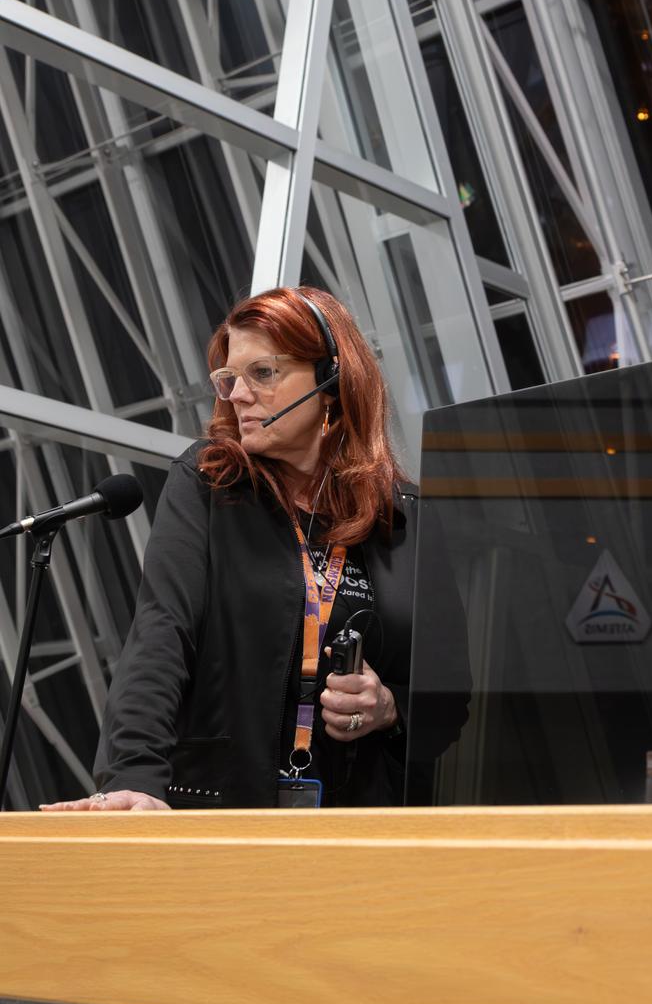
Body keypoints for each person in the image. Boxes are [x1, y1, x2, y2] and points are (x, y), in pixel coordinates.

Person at [42, 286, 469, 812]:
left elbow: (452, 696)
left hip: (364, 821)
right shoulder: (210, 484)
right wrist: (134, 777)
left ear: (332, 381)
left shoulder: (405, 516)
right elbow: (160, 636)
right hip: (225, 811)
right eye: (229, 379)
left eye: (262, 374)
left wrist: (389, 707)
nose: (237, 395)